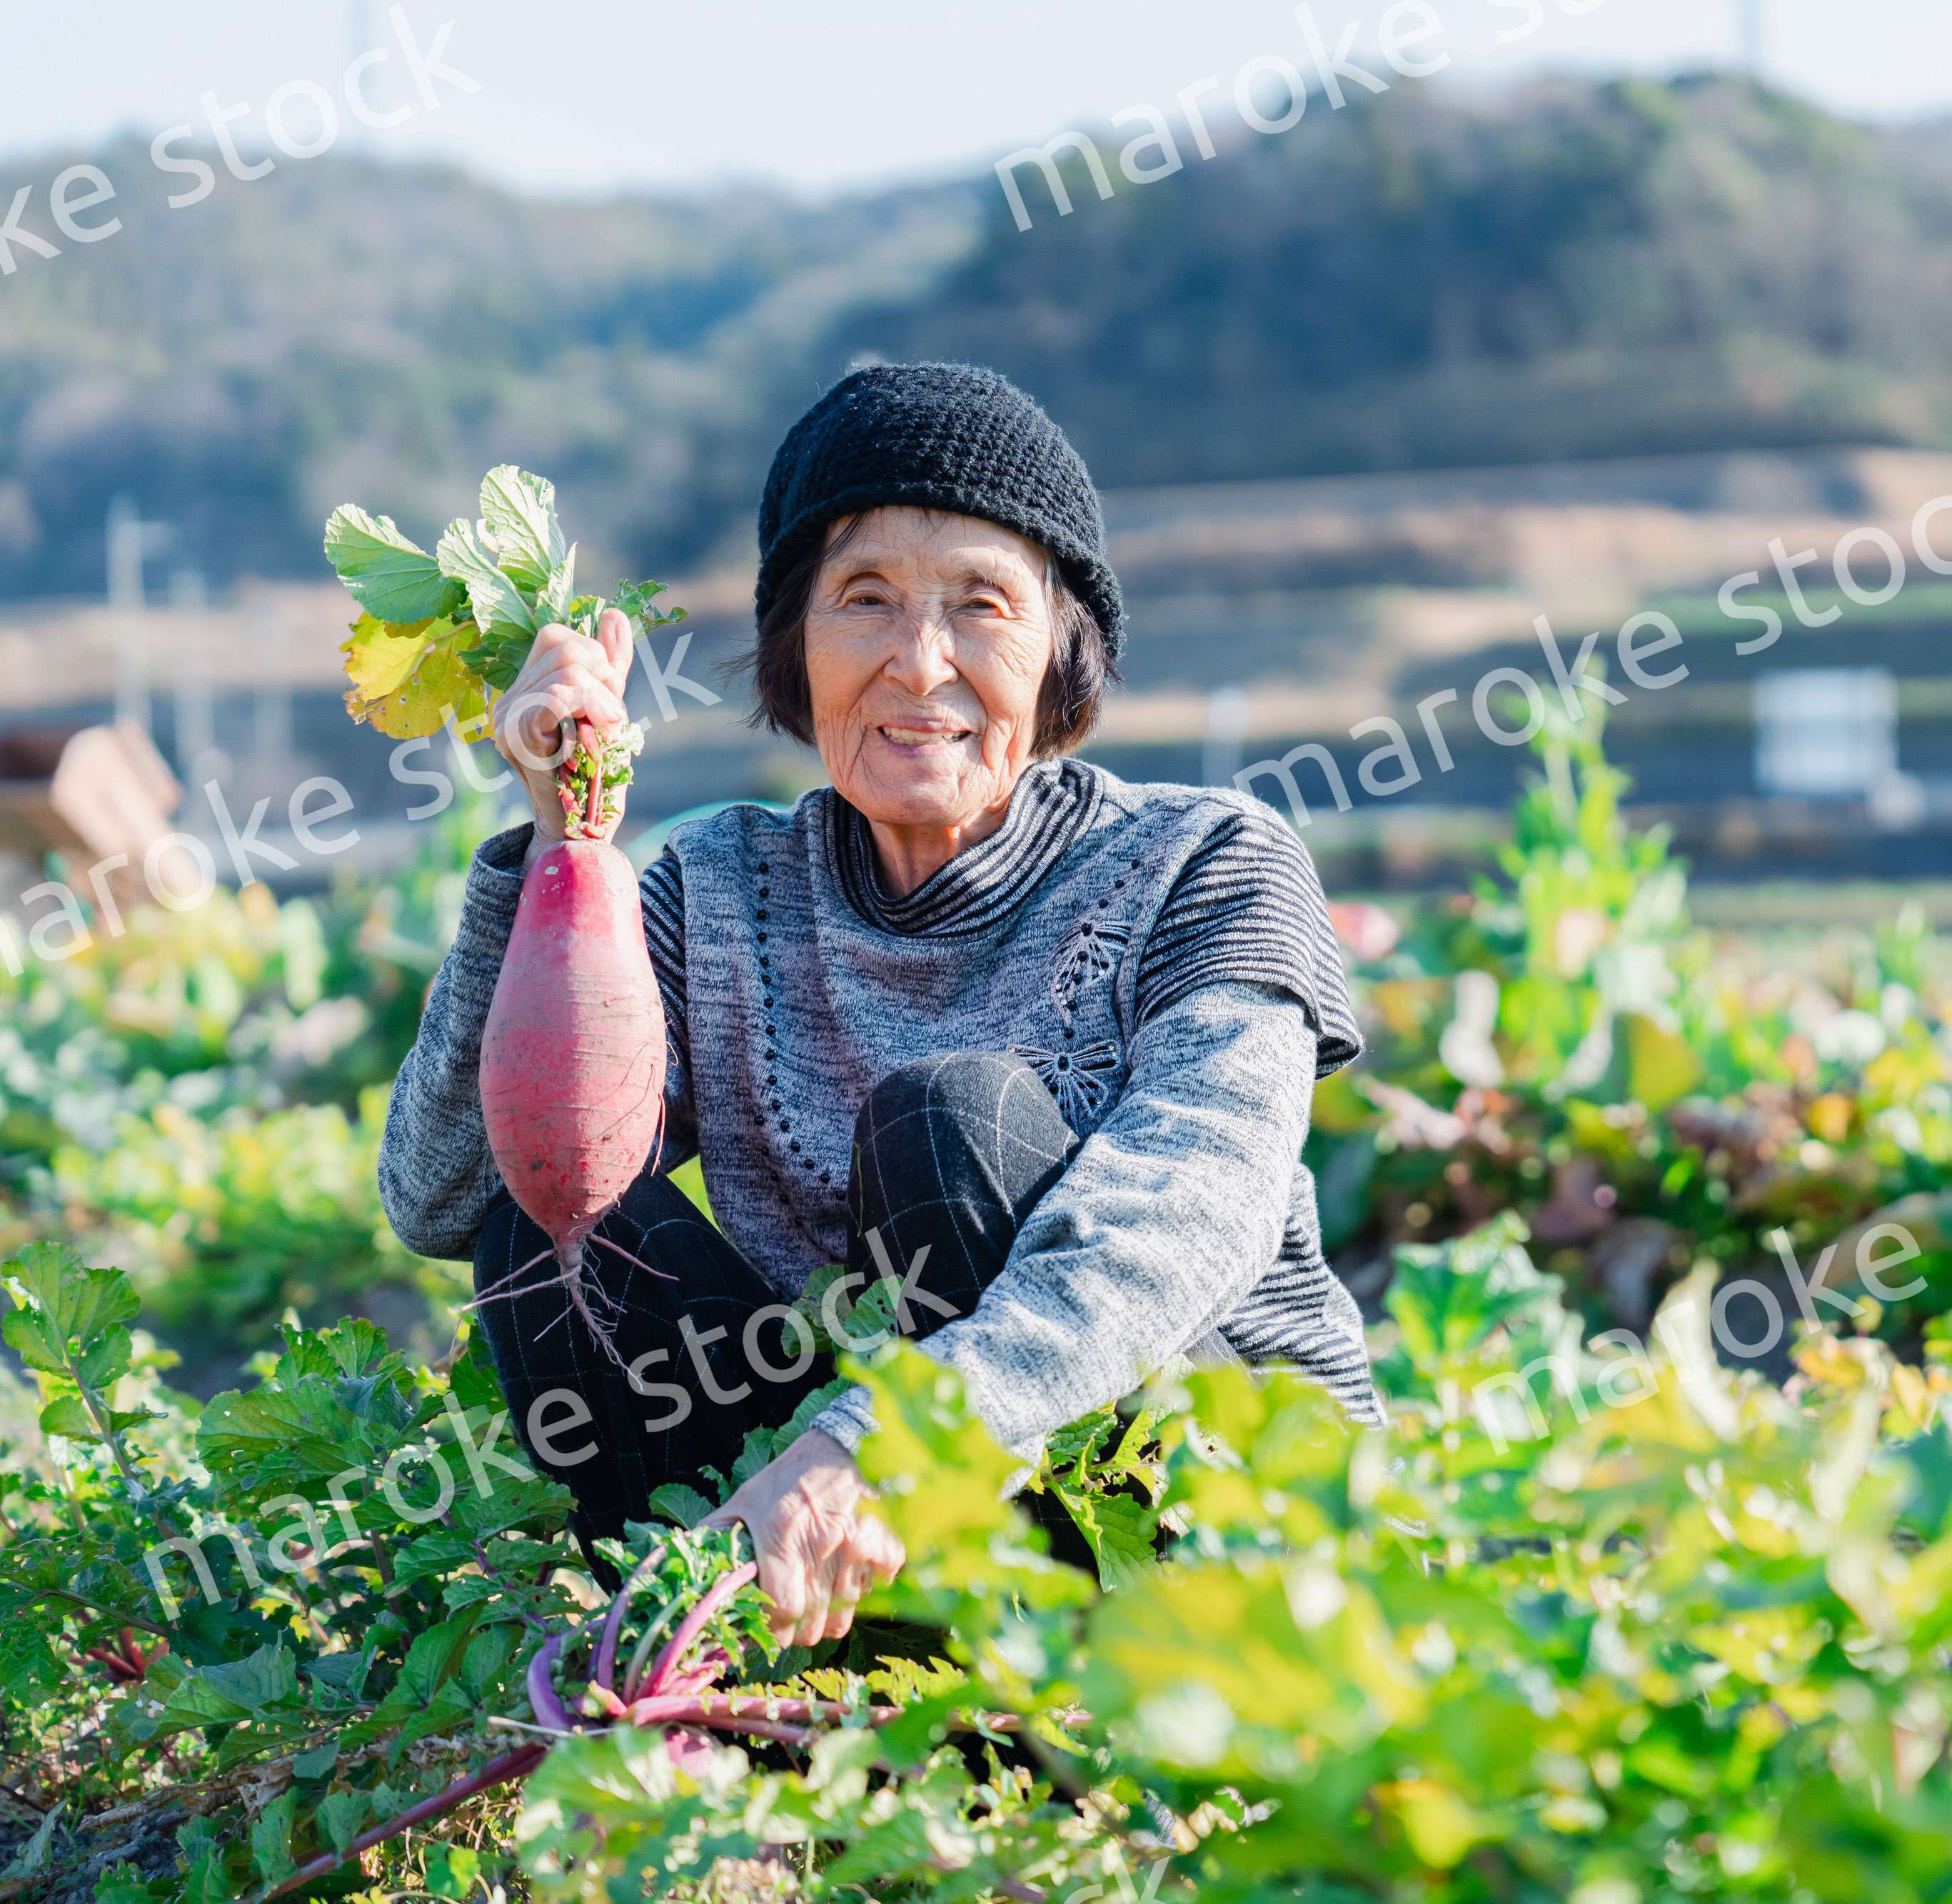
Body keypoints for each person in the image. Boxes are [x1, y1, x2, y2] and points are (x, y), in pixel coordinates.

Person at [380, 363, 1379, 1645]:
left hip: (1215, 1544)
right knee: (550, 1234)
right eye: (864, 601)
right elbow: (448, 1195)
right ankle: (760, 1703)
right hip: (853, 1521)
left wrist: (882, 1444)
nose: (921, 665)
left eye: (982, 605)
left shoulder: (1207, 864)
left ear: (1064, 651)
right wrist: (561, 846)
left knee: (949, 1124)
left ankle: (1058, 1732)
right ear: (796, 642)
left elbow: (1189, 1221)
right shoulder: (719, 890)